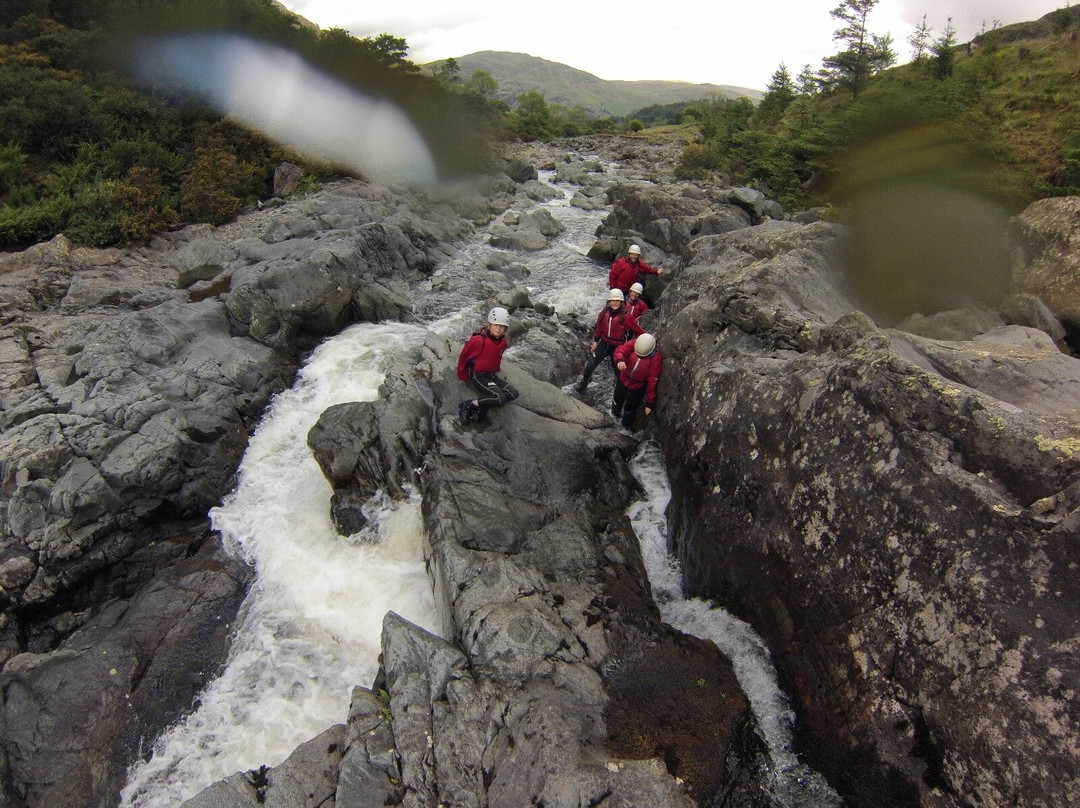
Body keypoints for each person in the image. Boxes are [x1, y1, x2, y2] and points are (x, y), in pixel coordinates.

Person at [456, 306, 519, 424]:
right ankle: (469, 404)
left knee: (513, 393)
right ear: (489, 325)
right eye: (496, 325)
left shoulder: (502, 341)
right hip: (478, 376)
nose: (499, 329)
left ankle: (481, 408)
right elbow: (463, 357)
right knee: (499, 398)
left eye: (502, 327)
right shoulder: (479, 341)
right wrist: (462, 375)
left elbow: (497, 356)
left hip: (491, 375)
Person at [575, 289, 643, 394]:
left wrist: (633, 346)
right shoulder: (603, 313)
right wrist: (596, 342)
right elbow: (599, 328)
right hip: (604, 343)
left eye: (617, 301)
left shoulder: (627, 317)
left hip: (618, 347)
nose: (615, 303)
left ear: (621, 302)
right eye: (612, 300)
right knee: (589, 367)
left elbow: (639, 332)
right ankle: (584, 383)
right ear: (609, 301)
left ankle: (621, 392)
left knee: (618, 373)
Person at [611, 332, 661, 430]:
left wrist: (649, 403)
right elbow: (620, 350)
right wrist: (620, 360)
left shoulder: (655, 358)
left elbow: (652, 380)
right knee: (617, 399)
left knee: (630, 407)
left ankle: (625, 427)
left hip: (638, 386)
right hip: (624, 379)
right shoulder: (634, 343)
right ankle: (613, 417)